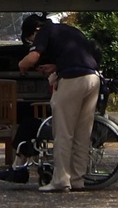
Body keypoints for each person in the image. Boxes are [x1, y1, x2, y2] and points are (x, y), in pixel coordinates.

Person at [9, 13, 101, 192]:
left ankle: (60, 179)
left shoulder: (45, 30)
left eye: (31, 39)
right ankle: (77, 179)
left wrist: (21, 65)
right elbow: (78, 57)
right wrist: (56, 66)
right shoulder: (70, 30)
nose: (33, 41)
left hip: (73, 80)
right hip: (93, 78)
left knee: (63, 132)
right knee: (82, 133)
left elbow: (32, 58)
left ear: (35, 30)